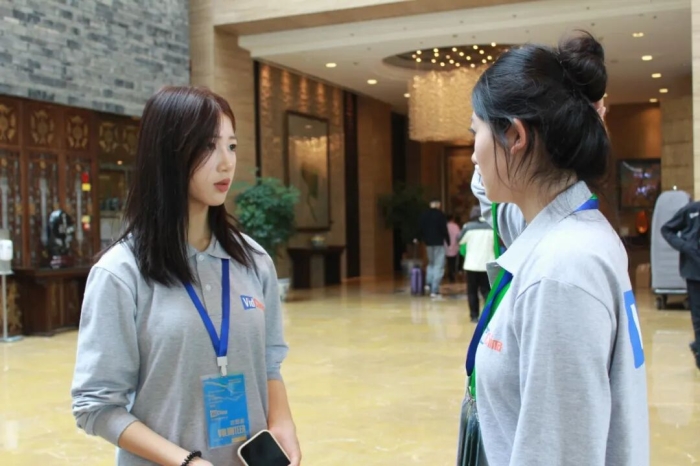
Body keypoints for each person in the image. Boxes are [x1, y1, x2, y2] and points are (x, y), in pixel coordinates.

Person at [71, 87, 301, 466]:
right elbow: (96, 406)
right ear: (168, 153)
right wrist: (186, 462)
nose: (226, 163)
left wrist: (282, 422)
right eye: (209, 146)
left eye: (231, 146)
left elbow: (269, 364)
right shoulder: (120, 274)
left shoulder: (254, 261)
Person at [467, 31, 649, 465]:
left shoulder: (561, 270)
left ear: (515, 136)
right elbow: (489, 193)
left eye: (475, 132)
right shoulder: (561, 232)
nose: (473, 155)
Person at [661, 201, 700, 369]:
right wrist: (685, 246)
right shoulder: (691, 210)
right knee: (698, 315)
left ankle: (697, 345)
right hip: (694, 272)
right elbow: (666, 229)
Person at [459, 206, 493, 322]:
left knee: (472, 292)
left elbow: (459, 240)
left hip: (471, 265)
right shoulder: (492, 227)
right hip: (487, 265)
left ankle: (474, 316)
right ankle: (488, 316)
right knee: (487, 291)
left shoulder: (468, 227)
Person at [417, 200, 450, 298]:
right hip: (438, 243)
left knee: (431, 264)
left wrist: (419, 238)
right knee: (439, 266)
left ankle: (428, 284)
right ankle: (434, 290)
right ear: (438, 205)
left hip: (428, 244)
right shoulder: (440, 215)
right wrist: (448, 240)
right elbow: (444, 229)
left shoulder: (424, 215)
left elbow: (420, 228)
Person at [446, 214, 462, 283]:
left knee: (449, 261)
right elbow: (459, 236)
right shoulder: (455, 226)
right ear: (452, 219)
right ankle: (452, 274)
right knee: (453, 261)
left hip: (446, 246)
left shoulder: (445, 226)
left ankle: (450, 274)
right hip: (454, 246)